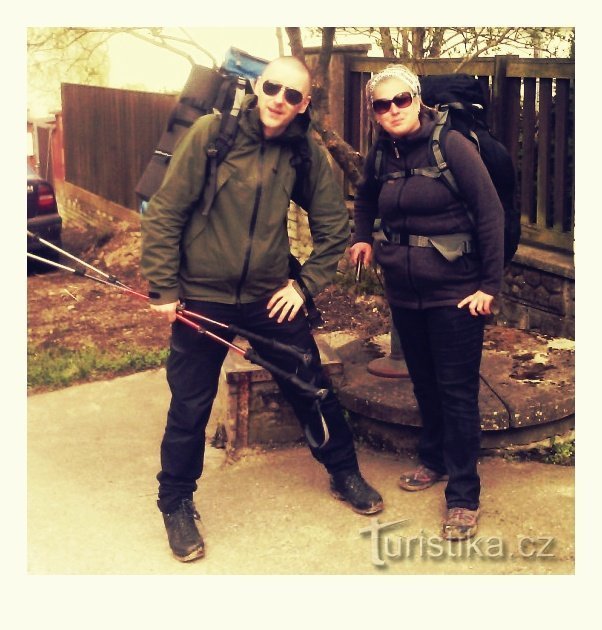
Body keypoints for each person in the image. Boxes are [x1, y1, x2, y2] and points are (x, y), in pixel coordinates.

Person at [141, 56, 383, 562]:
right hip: (203, 295)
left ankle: (344, 473)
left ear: (305, 104)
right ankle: (176, 502)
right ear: (258, 86)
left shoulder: (302, 152)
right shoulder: (214, 134)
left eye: (294, 95)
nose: (280, 100)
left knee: (311, 387)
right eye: (273, 87)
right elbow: (165, 212)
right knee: (189, 404)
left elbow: (334, 226)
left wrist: (305, 285)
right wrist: (163, 288)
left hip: (269, 296)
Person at [349, 64, 504, 541]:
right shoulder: (381, 154)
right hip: (405, 292)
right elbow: (365, 200)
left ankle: (463, 496)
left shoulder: (451, 146)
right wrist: (363, 239)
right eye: (382, 103)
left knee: (457, 393)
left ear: (418, 101)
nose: (392, 109)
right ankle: (433, 459)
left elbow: (490, 214)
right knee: (424, 383)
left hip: (457, 295)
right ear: (374, 111)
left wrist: (489, 287)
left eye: (401, 100)